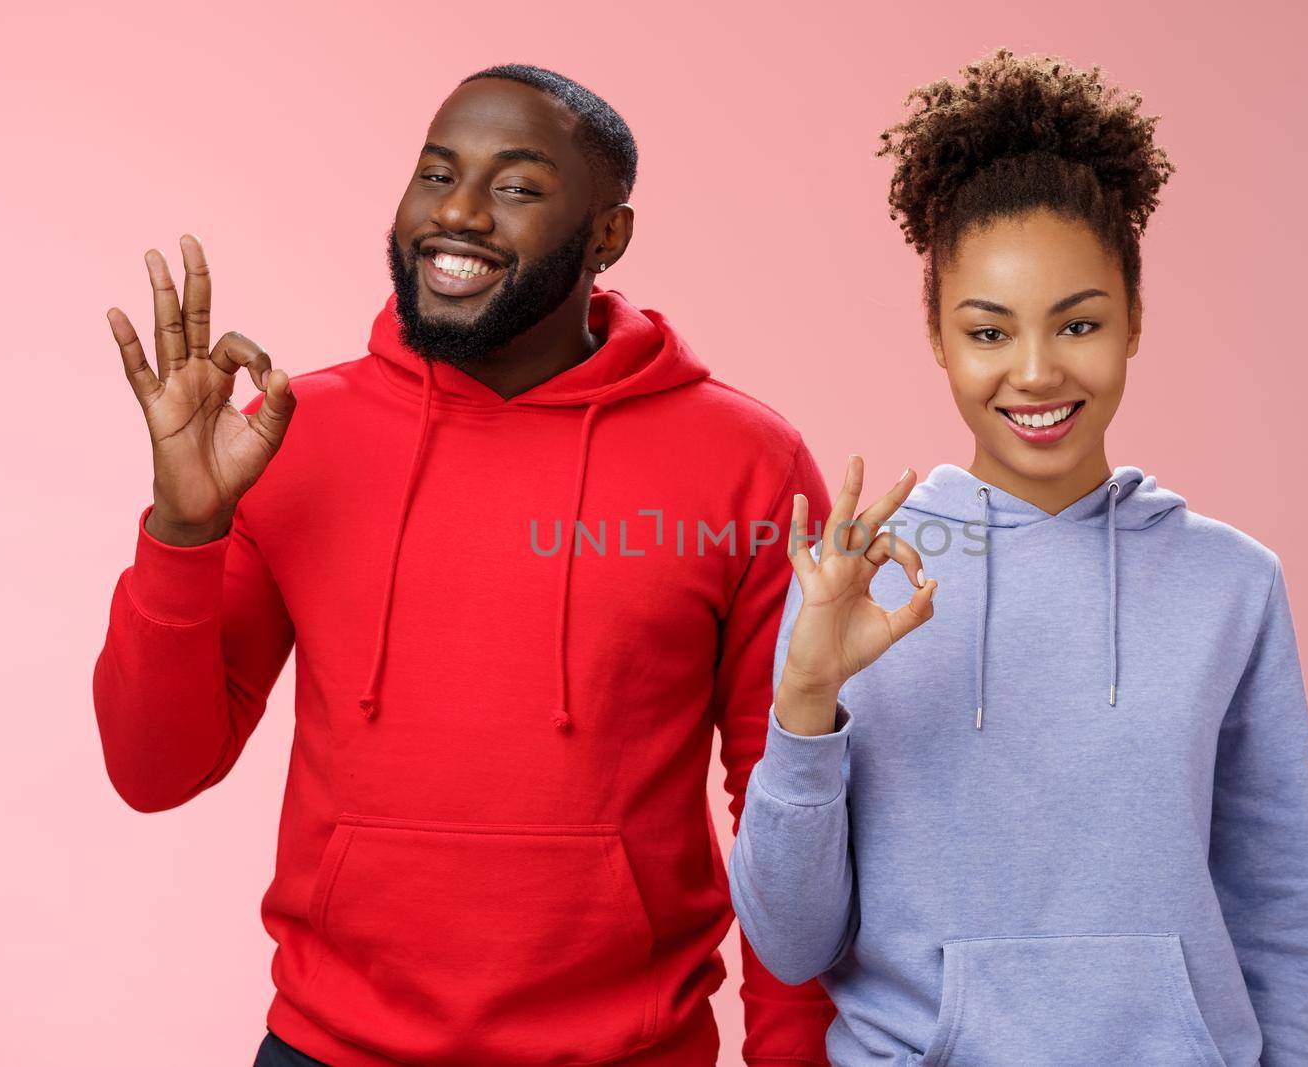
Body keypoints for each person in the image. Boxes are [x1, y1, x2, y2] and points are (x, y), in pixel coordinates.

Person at [94, 63, 835, 1066]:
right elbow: (155, 771)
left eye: (518, 187)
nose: (459, 214)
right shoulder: (290, 434)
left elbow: (784, 798)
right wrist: (185, 531)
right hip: (328, 1049)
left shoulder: (746, 461)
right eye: (436, 174)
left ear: (608, 236)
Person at [728, 49, 1308, 1066]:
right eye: (987, 331)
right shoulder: (860, 576)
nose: (1035, 371)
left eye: (1079, 323)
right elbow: (791, 945)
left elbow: (1281, 905)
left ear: (1135, 320)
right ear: (936, 335)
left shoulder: (1233, 584)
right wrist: (803, 702)